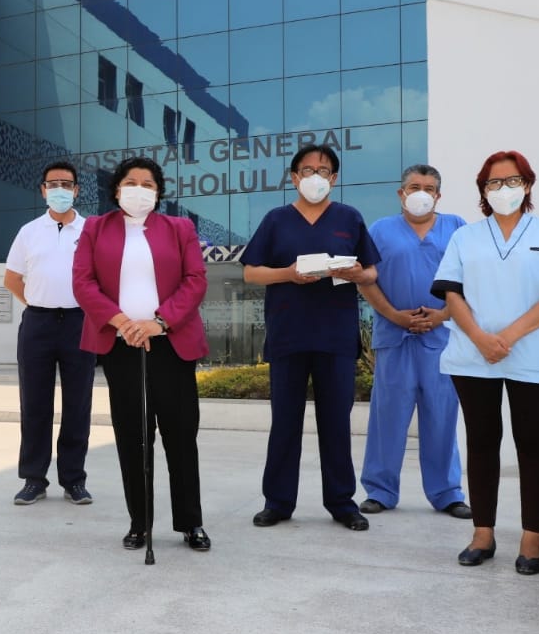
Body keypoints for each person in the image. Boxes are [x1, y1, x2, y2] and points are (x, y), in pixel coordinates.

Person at [431, 150, 539, 575]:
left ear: (528, 185)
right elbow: (451, 292)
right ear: (483, 190)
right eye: (493, 183)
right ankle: (483, 533)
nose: (502, 189)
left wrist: (507, 338)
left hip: (531, 357)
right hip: (472, 356)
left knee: (532, 444)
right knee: (481, 443)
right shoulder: (466, 237)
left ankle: (532, 539)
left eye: (511, 180)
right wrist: (481, 339)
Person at [72, 156, 211, 552]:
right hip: (121, 345)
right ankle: (140, 523)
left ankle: (191, 522)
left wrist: (159, 322)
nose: (139, 189)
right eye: (130, 182)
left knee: (181, 435)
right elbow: (83, 282)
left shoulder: (180, 228)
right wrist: (122, 322)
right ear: (117, 190)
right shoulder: (96, 229)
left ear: (158, 192)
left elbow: (195, 280)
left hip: (172, 343)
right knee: (133, 437)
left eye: (148, 184)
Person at [241, 144, 380, 532]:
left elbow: (371, 273)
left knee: (336, 423)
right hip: (289, 335)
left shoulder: (349, 218)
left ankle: (341, 502)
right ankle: (278, 501)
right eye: (307, 170)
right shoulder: (276, 220)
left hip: (336, 337)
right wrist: (287, 274)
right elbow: (252, 273)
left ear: (334, 178)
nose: (315, 177)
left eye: (323, 171)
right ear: (293, 177)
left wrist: (355, 274)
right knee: (284, 422)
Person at [357, 165, 471, 519]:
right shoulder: (379, 231)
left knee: (442, 416)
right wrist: (394, 315)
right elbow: (365, 280)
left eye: (430, 187)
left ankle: (447, 492)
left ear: (439, 195)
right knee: (387, 416)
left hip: (442, 338)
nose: (422, 192)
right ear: (401, 193)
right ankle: (380, 490)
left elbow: (470, 280)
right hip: (395, 338)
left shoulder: (456, 228)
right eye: (415, 186)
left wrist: (442, 315)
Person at [3, 161, 98, 507]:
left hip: (79, 323)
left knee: (78, 403)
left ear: (76, 190)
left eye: (67, 184)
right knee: (34, 403)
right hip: (38, 324)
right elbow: (12, 279)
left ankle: (74, 480)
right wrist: (40, 303)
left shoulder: (91, 230)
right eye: (53, 183)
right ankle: (33, 478)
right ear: (43, 190)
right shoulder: (29, 231)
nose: (60, 189)